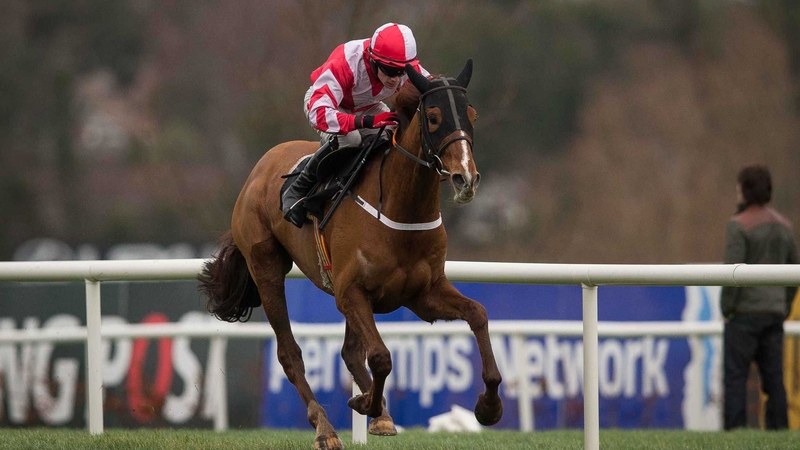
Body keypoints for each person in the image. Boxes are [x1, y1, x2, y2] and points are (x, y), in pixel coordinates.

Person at [282, 22, 430, 228]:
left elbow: (433, 91)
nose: (395, 79)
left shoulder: (405, 67)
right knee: (351, 139)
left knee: (396, 134)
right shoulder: (346, 62)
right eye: (389, 71)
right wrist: (364, 121)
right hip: (327, 105)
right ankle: (298, 189)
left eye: (401, 71)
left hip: (367, 106)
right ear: (372, 59)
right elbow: (319, 113)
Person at [721, 164, 798, 430]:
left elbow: (731, 274)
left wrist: (727, 309)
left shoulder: (738, 226)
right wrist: (783, 306)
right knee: (774, 380)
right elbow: (793, 274)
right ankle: (780, 432)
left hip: (743, 314)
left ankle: (735, 433)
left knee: (735, 378)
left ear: (744, 190)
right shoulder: (785, 227)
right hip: (774, 314)